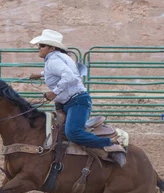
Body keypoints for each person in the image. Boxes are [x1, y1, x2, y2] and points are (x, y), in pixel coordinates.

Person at [27, 29, 125, 162]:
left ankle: (109, 142)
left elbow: (69, 75)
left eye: (42, 45)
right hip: (71, 100)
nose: (39, 48)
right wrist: (40, 74)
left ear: (52, 47)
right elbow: (57, 70)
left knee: (73, 133)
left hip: (76, 101)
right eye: (39, 45)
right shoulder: (57, 57)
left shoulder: (54, 59)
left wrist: (54, 92)